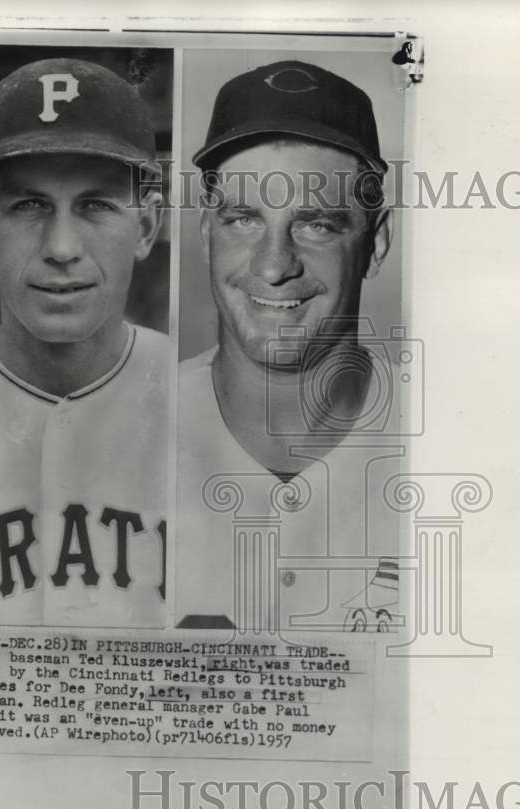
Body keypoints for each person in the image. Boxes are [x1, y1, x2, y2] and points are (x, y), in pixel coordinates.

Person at [176, 59, 404, 634]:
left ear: (375, 243)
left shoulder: (458, 442)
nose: (274, 266)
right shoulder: (125, 427)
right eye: (243, 220)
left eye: (317, 225)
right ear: (207, 232)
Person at [0, 57, 168, 627]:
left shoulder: (206, 399)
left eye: (96, 205)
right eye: (29, 205)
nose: (62, 246)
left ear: (146, 227)